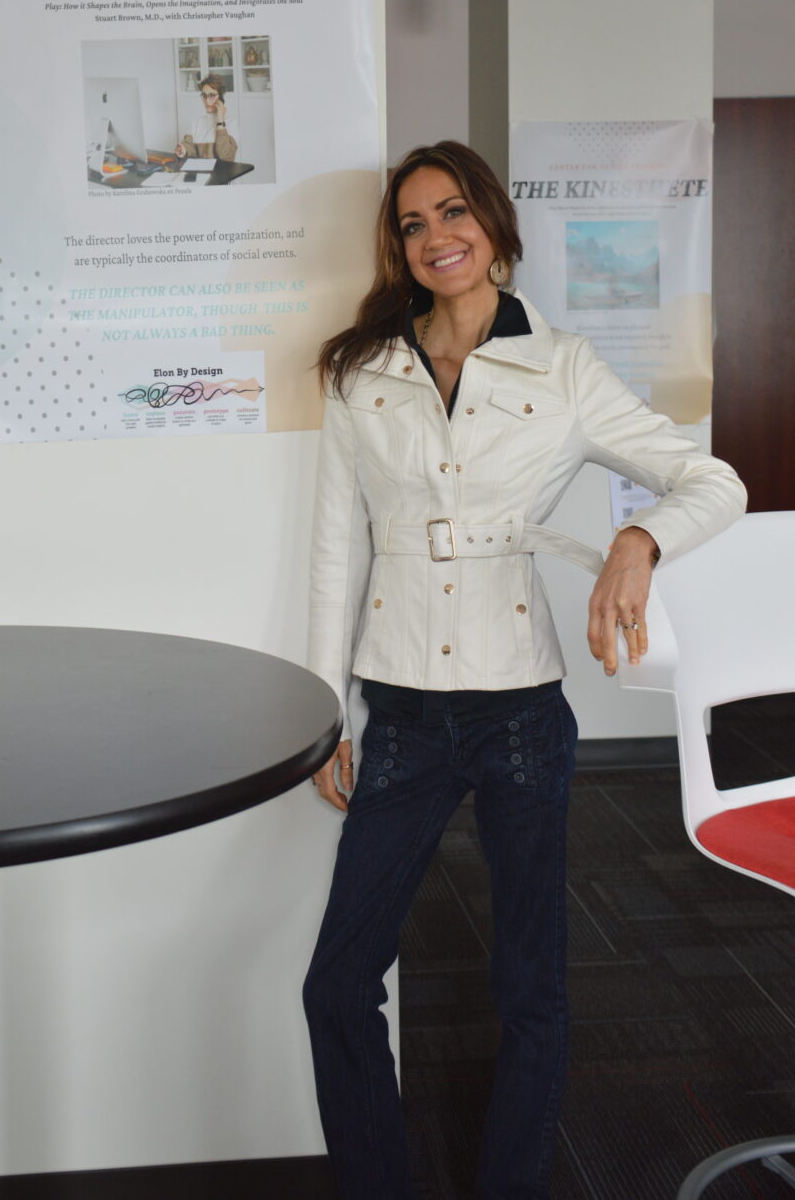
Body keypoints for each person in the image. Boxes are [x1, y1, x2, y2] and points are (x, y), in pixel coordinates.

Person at [302, 140, 746, 1200]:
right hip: (400, 711)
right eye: (411, 224)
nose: (434, 237)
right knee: (337, 983)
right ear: (398, 248)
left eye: (451, 213)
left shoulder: (565, 368)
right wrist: (326, 713)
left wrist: (637, 543)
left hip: (518, 713)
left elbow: (710, 478)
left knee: (529, 989)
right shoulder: (362, 371)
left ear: (494, 226)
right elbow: (334, 549)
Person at [175, 73, 238, 161]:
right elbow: (189, 147)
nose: (207, 100)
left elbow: (225, 156)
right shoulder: (196, 122)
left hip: (223, 174)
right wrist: (183, 150)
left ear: (221, 97)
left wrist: (220, 121)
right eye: (204, 96)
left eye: (212, 95)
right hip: (201, 173)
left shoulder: (231, 122)